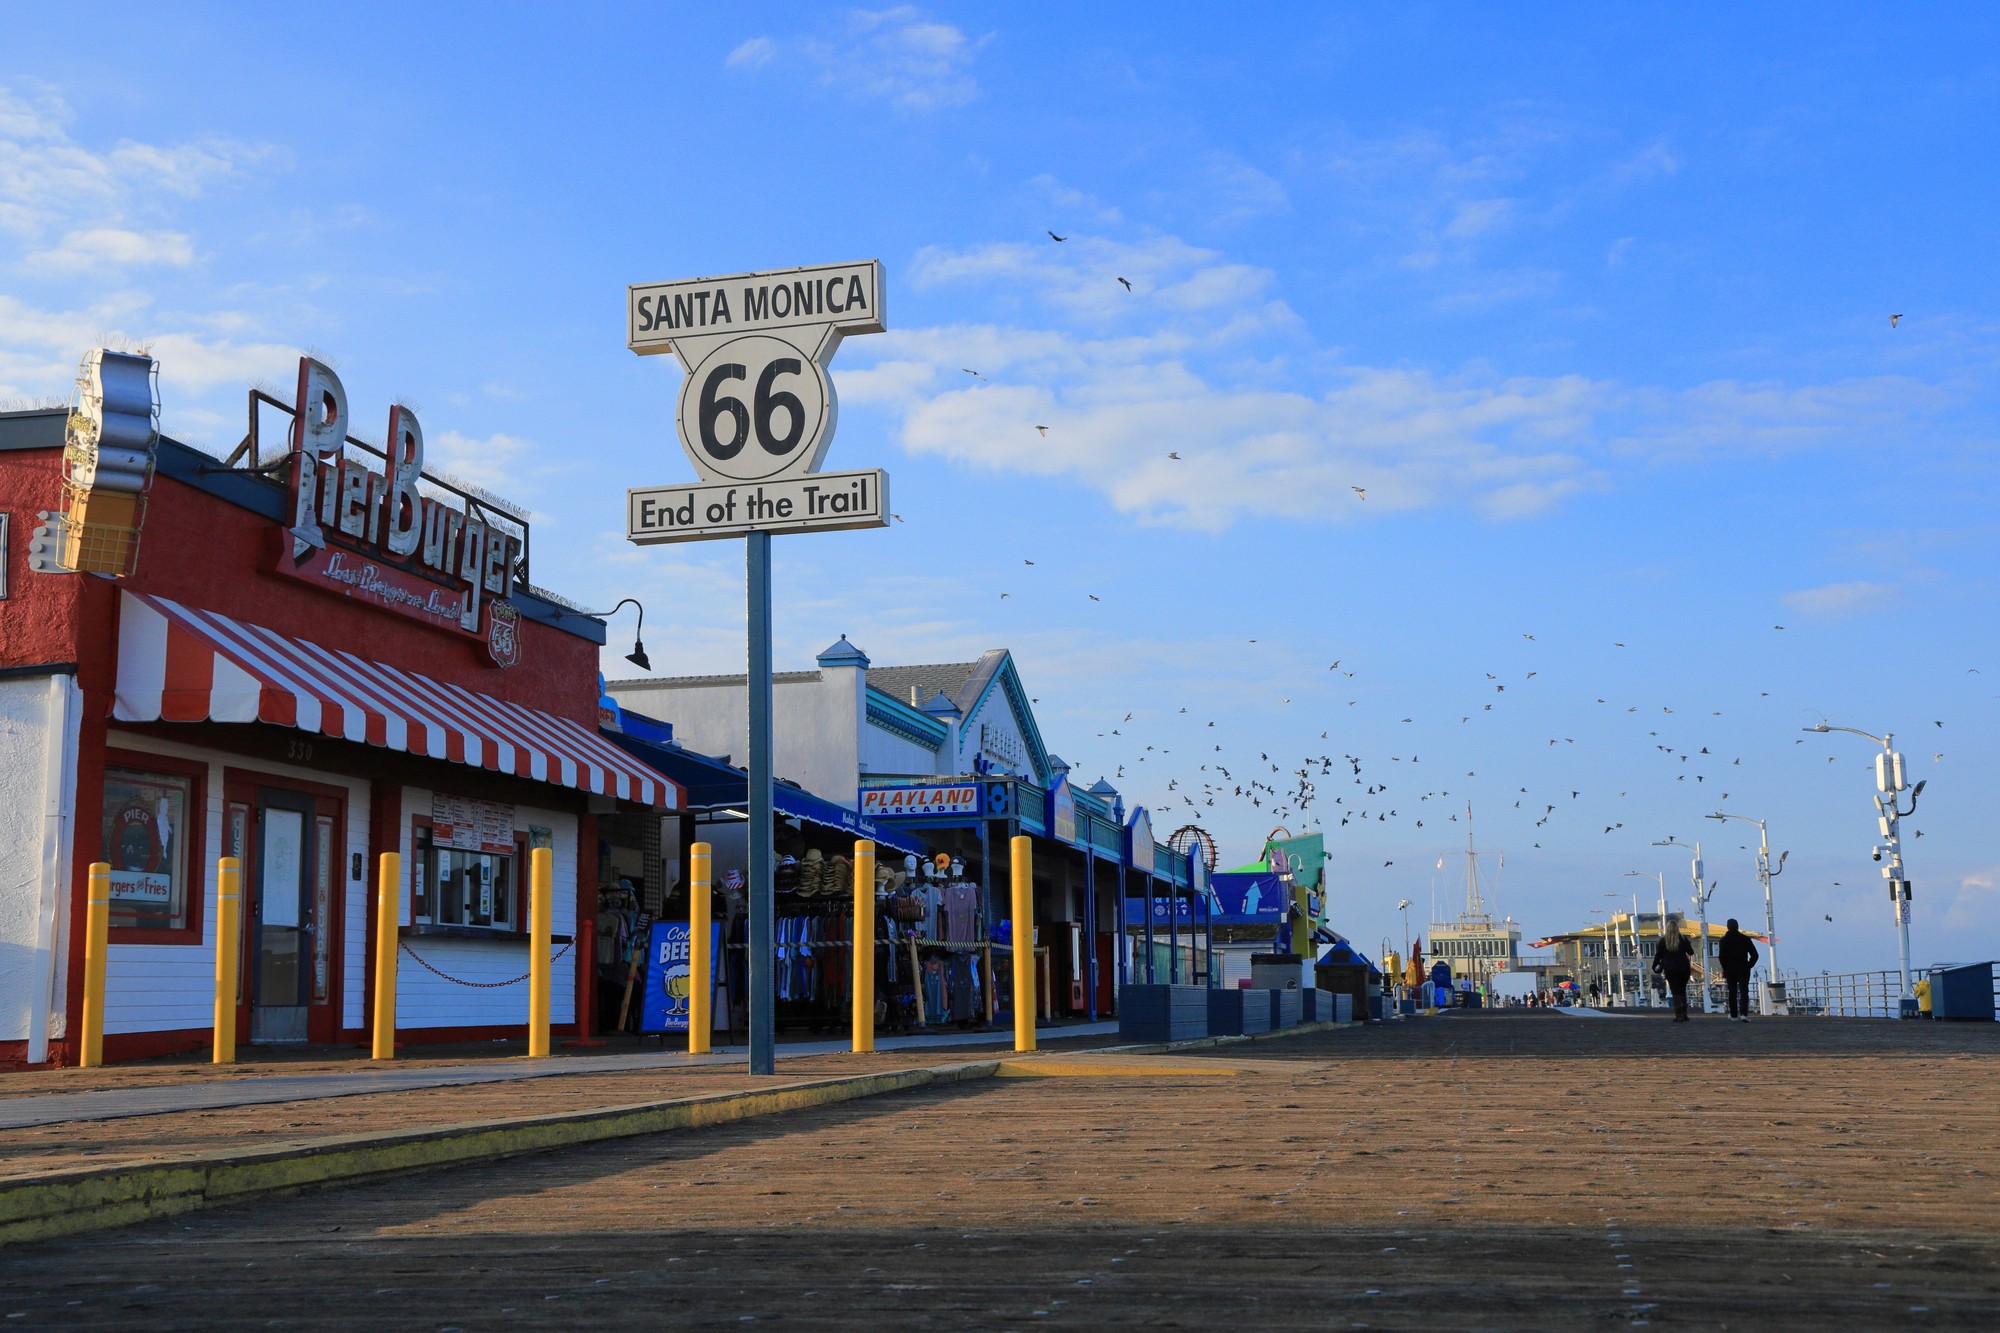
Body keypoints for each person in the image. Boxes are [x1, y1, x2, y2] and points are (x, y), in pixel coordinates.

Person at [1716, 919, 1760, 1021]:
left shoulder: (1724, 940)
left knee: (1732, 992)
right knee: (1744, 991)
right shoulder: (1745, 939)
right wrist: (1749, 965)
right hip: (1743, 968)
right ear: (1737, 926)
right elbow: (1755, 955)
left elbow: (1721, 956)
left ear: (1727, 927)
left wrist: (1725, 967)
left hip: (1730, 969)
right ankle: (1744, 1014)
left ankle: (1734, 1015)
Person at [1652, 917, 1695, 1022]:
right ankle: (1684, 1014)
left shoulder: (1663, 940)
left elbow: (1658, 955)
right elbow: (1691, 952)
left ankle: (1679, 1014)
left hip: (1670, 969)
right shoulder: (1683, 939)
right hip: (1683, 968)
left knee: (1675, 992)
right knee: (1682, 990)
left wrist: (1655, 966)